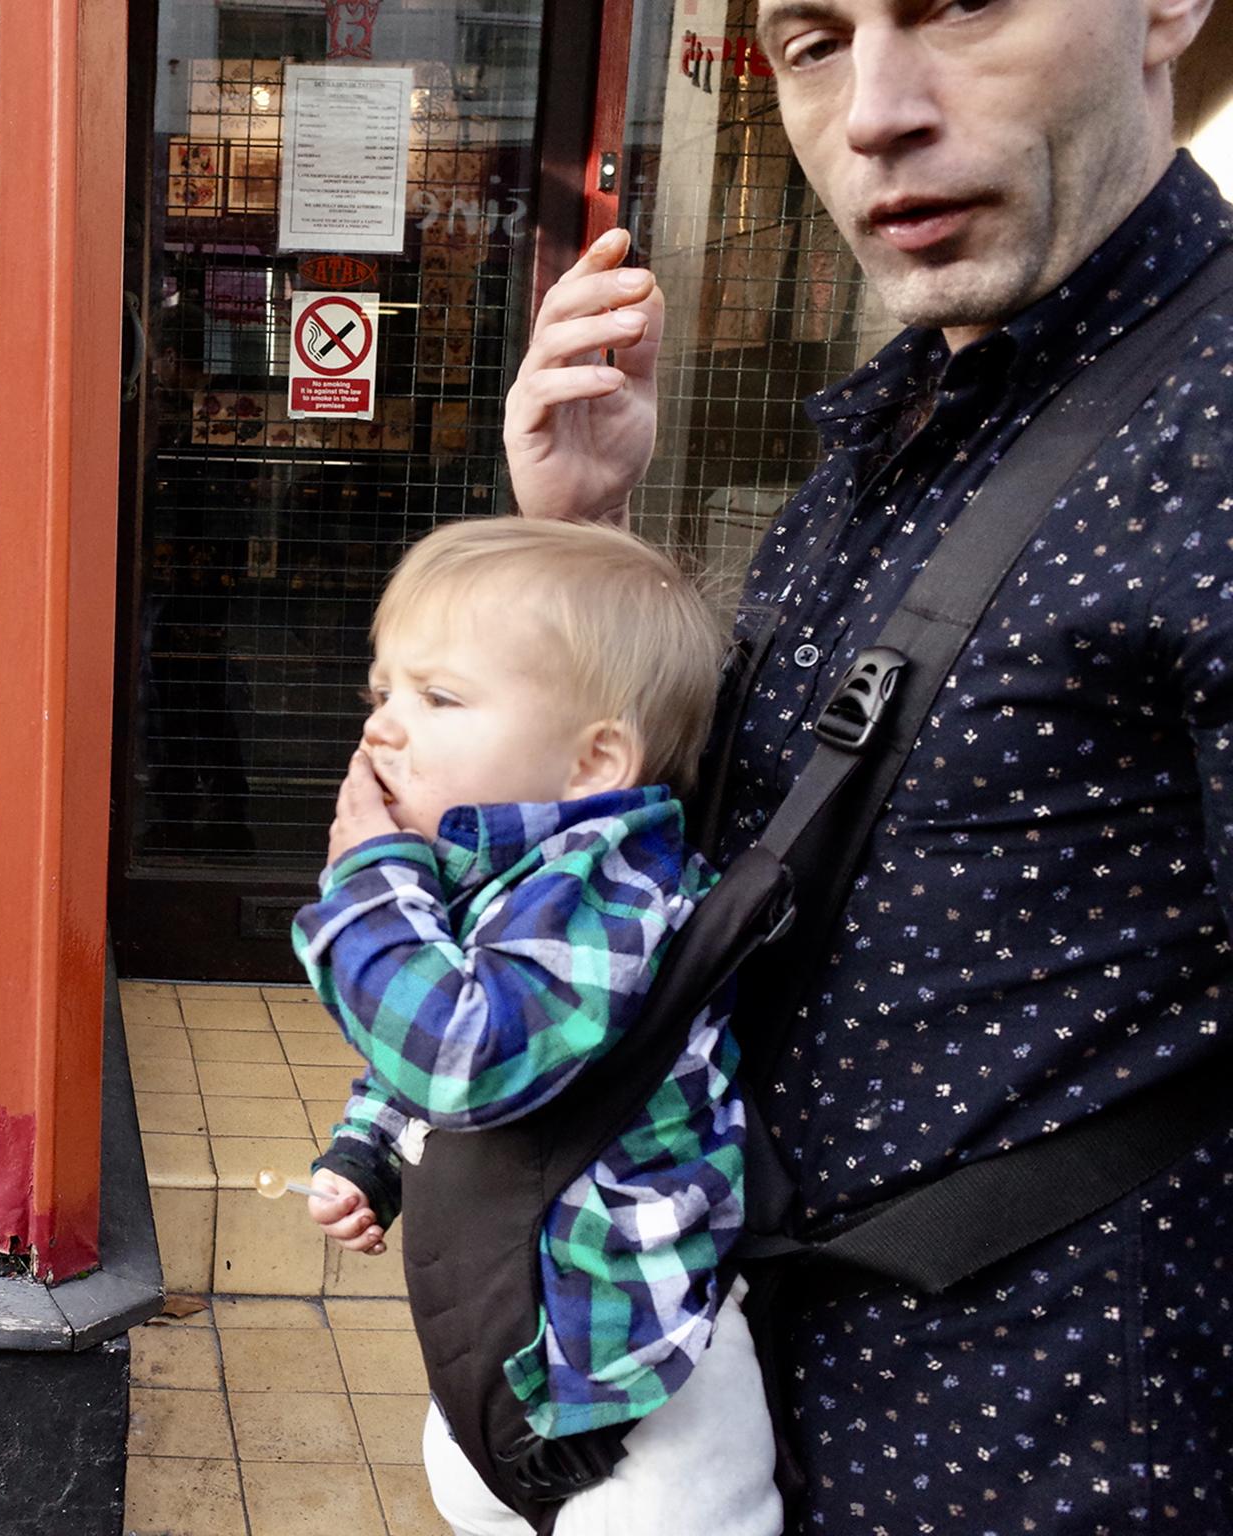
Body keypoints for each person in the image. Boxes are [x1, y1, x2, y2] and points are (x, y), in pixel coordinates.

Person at [504, 0, 1232, 1527]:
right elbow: (743, 863)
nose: (875, 111)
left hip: (1040, 1465)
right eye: (813, 40)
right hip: (775, 1430)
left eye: (958, 5)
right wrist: (584, 538)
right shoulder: (910, 419)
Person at [293, 518, 782, 1536]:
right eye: (378, 693)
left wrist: (362, 884)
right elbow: (421, 1048)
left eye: (437, 697)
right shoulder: (496, 878)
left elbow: (467, 1054)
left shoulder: (605, 885)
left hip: (638, 1361)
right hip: (523, 1332)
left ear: (591, 759)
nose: (382, 727)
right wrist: (370, 1150)